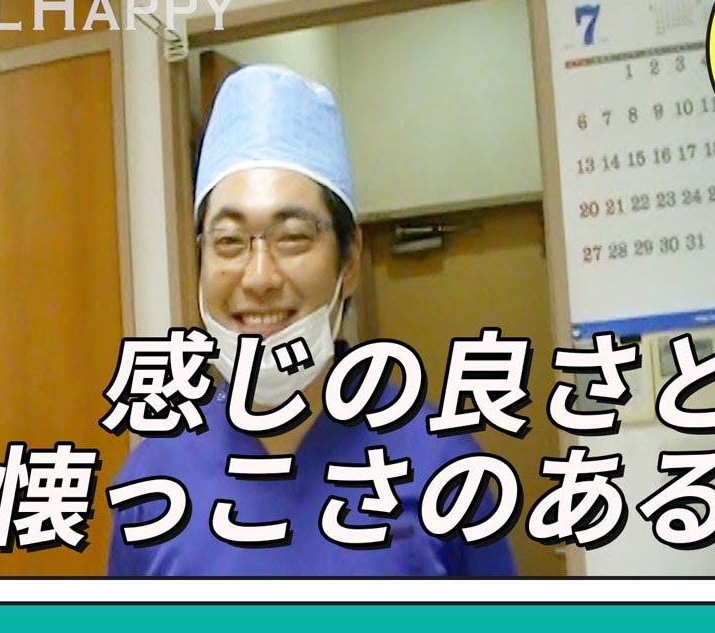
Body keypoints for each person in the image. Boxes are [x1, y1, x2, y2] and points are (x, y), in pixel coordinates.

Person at [107, 65, 515, 576]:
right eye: (229, 241)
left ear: (349, 260)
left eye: (293, 238)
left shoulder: (441, 464)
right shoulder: (152, 485)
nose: (259, 277)